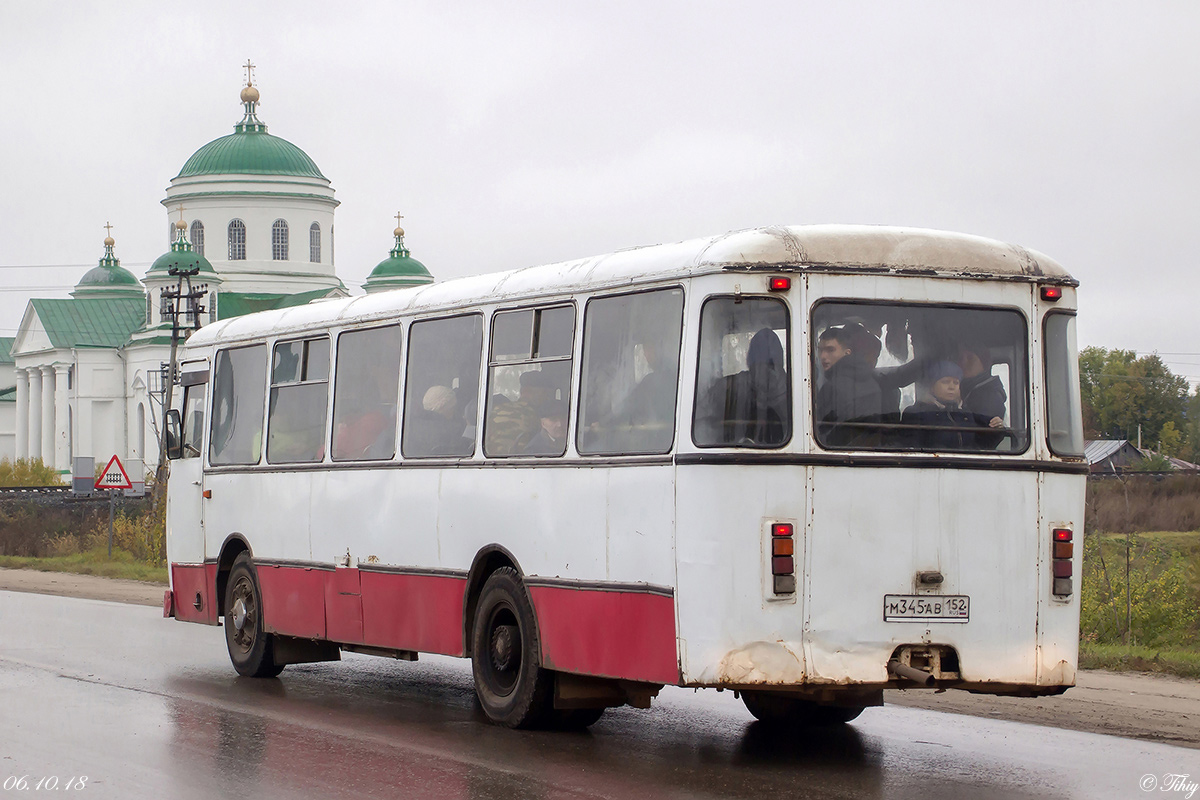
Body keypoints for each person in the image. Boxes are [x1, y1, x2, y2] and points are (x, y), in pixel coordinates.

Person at [697, 328, 789, 445]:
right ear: (780, 358)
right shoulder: (795, 391)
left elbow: (701, 415)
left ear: (749, 357)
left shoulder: (728, 386)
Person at [901, 361, 1002, 450]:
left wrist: (995, 430)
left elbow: (981, 446)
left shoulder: (967, 415)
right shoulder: (916, 414)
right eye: (945, 382)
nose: (951, 387)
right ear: (932, 387)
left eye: (956, 382)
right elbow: (912, 450)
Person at [815, 325, 882, 446]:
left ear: (847, 353)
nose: (823, 356)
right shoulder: (872, 382)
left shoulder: (832, 387)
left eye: (830, 350)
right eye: (820, 350)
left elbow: (821, 433)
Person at [486, 370, 554, 455]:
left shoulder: (497, 409)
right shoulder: (536, 415)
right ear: (526, 391)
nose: (547, 398)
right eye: (544, 393)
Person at [956, 342, 1008, 449]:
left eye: (970, 358)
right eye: (961, 358)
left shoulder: (990, 396)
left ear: (984, 364)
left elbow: (984, 441)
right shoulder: (970, 390)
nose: (963, 363)